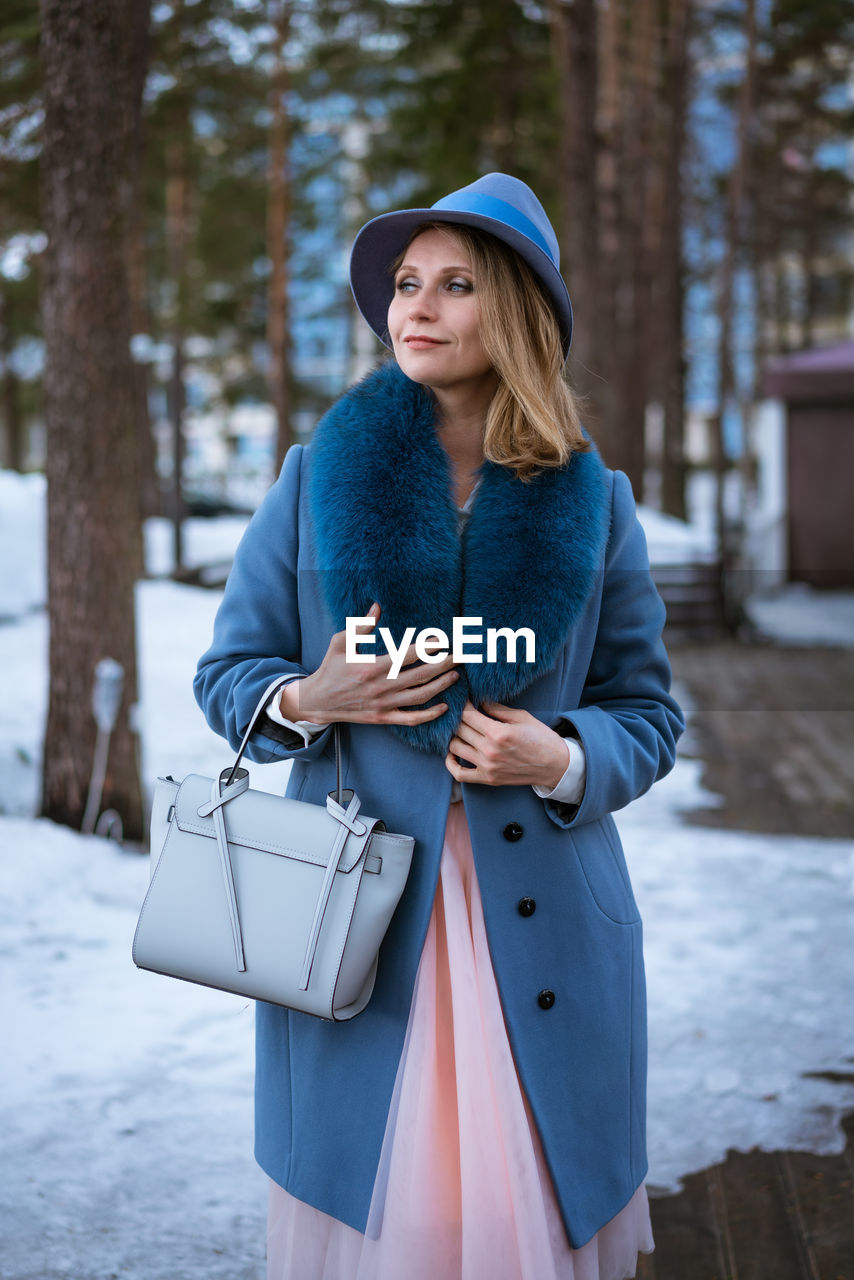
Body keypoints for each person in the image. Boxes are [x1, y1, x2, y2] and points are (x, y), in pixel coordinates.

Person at [194, 172, 684, 1280]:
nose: (415, 305)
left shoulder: (592, 500)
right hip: (357, 922)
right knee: (389, 1225)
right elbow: (229, 670)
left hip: (544, 931)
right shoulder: (316, 479)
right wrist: (305, 699)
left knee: (525, 1218)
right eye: (405, 284)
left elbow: (647, 712)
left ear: (514, 309)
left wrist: (559, 756)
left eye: (455, 284)